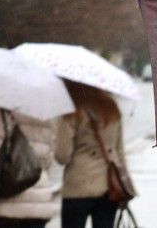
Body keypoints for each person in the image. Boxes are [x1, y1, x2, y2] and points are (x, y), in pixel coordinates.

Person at [55, 81, 132, 228]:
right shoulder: (111, 107)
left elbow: (62, 156)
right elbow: (119, 151)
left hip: (78, 186)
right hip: (109, 187)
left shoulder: (72, 110)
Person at [0, 105, 60, 227]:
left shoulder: (0, 106)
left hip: (4, 197)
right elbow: (48, 157)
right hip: (37, 197)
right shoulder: (47, 112)